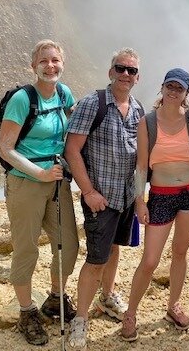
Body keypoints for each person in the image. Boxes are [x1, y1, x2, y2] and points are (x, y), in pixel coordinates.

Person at [120, 68, 189, 342]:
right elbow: (140, 166)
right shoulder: (147, 122)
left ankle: (174, 305)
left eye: (180, 88)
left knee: (180, 252)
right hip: (161, 194)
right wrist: (140, 201)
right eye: (170, 86)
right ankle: (131, 313)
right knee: (150, 260)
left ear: (186, 93)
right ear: (162, 88)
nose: (174, 92)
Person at [0, 39, 79, 346]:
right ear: (34, 66)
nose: (50, 66)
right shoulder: (22, 99)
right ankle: (26, 312)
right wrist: (40, 172)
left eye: (55, 60)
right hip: (26, 182)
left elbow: (76, 130)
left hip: (58, 181)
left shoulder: (64, 93)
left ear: (62, 63)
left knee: (68, 244)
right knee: (26, 248)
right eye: (44, 61)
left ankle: (55, 298)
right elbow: (5, 148)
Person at [64, 48, 144, 350]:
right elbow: (72, 150)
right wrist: (88, 192)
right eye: (120, 68)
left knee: (113, 249)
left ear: (138, 77)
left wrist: (139, 197)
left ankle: (108, 297)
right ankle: (80, 319)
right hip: (101, 197)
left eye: (131, 70)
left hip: (124, 198)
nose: (125, 74)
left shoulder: (136, 110)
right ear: (110, 71)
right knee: (96, 259)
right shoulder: (92, 104)